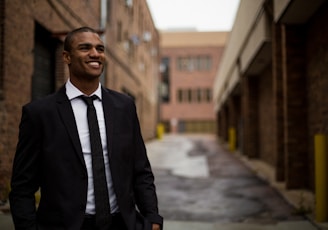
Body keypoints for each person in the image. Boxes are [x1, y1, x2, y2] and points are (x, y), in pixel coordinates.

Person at [9, 26, 163, 230]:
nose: (95, 54)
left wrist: (152, 218)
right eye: (85, 48)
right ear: (67, 57)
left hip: (122, 224)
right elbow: (22, 185)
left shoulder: (124, 106)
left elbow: (141, 169)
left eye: (100, 48)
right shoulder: (39, 113)